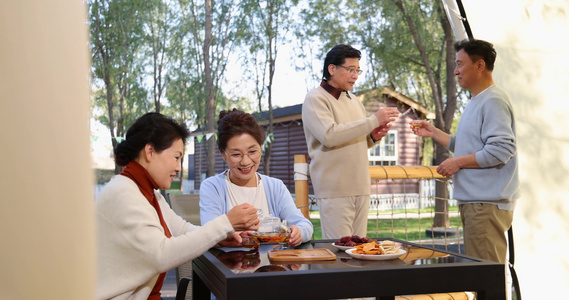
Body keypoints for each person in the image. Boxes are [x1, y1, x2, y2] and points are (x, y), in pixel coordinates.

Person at [95, 112, 260, 300]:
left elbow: (182, 229)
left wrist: (221, 238)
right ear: (150, 152)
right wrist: (226, 223)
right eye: (176, 157)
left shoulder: (149, 193)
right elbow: (161, 255)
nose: (179, 168)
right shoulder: (123, 192)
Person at [410, 39, 520, 264]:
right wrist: (436, 134)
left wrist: (457, 162)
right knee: (482, 276)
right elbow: (473, 145)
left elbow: (501, 150)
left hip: (485, 206)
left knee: (486, 279)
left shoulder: (493, 101)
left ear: (480, 65)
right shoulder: (477, 101)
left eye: (460, 64)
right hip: (479, 205)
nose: (455, 71)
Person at [302, 44, 400, 239]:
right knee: (340, 255)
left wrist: (373, 136)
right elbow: (329, 136)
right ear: (332, 69)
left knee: (359, 252)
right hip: (334, 189)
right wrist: (373, 120)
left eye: (358, 70)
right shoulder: (315, 99)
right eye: (350, 70)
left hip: (361, 185)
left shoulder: (355, 101)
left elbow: (355, 140)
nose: (355, 75)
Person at [200, 109, 314, 248]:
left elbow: (305, 225)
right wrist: (229, 236)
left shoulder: (275, 187)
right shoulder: (213, 187)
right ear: (223, 154)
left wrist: (299, 233)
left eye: (252, 152)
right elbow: (208, 233)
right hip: (229, 265)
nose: (246, 162)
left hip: (273, 267)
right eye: (236, 154)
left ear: (261, 147)